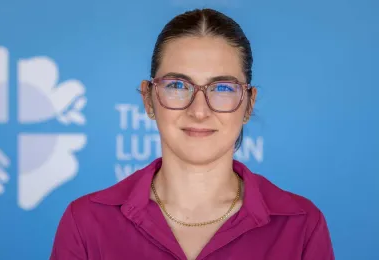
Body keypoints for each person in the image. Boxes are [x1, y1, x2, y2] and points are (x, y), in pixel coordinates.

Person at [50, 8, 335, 260]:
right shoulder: (86, 222)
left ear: (249, 104)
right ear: (148, 99)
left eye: (222, 88)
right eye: (177, 85)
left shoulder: (301, 226)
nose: (199, 110)